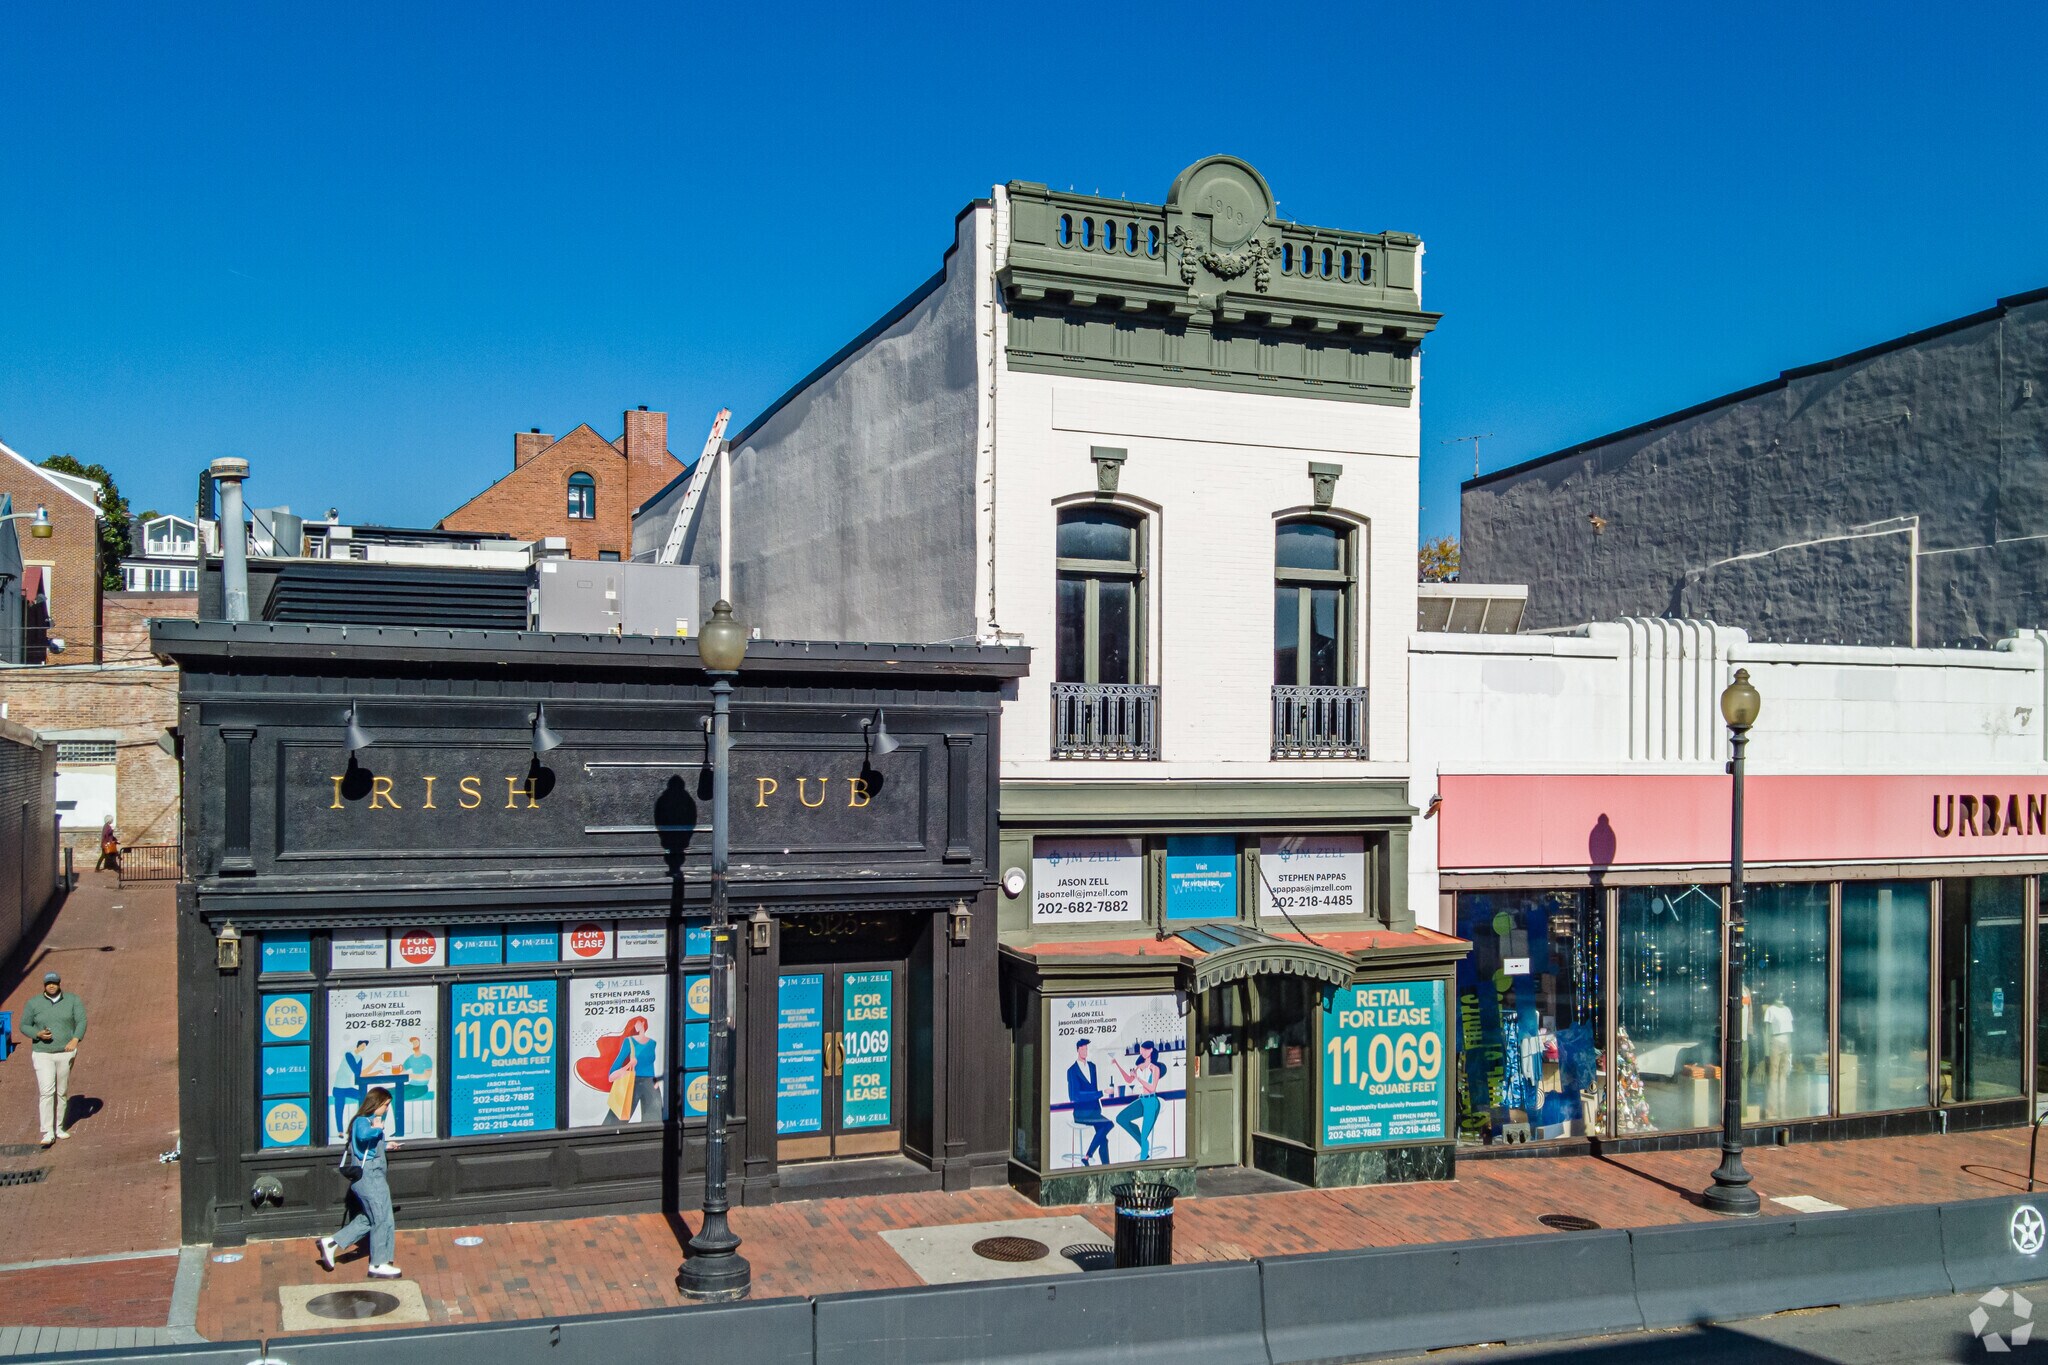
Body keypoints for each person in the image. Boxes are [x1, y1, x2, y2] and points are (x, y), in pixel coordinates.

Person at [317, 1086, 402, 1279]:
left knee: (374, 1217)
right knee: (380, 1218)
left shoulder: (367, 1121)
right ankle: (378, 1264)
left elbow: (366, 1146)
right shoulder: (363, 1121)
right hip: (369, 1176)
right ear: (376, 1103)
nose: (387, 1109)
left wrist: (386, 1145)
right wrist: (377, 1129)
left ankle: (331, 1243)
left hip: (374, 1176)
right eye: (386, 1104)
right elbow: (363, 1136)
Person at [16, 971, 86, 1148]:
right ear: (44, 986)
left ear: (59, 984)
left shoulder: (72, 1000)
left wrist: (75, 1039)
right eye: (48, 983)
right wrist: (37, 1034)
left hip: (65, 1052)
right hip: (42, 1053)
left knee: (61, 1091)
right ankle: (48, 1131)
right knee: (47, 1091)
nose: (51, 986)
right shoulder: (34, 1003)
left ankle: (60, 1127)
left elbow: (81, 1021)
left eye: (54, 983)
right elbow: (24, 1025)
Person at [1110, 1039, 1165, 1162]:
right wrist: (1117, 1065)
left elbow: (1152, 1088)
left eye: (1145, 1049)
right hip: (1142, 1101)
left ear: (1150, 1050)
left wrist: (1138, 1079)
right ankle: (1143, 1143)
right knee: (1121, 1118)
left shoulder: (1155, 1068)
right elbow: (1129, 1080)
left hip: (1152, 1102)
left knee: (1145, 1136)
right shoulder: (1139, 1066)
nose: (1142, 1051)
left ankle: (1143, 1160)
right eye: (1141, 1049)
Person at [603, 1017, 662, 1126]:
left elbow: (650, 1064)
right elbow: (613, 1071)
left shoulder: (652, 1043)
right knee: (615, 1121)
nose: (636, 1026)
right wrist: (629, 1065)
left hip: (650, 1083)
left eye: (637, 1023)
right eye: (634, 1024)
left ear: (643, 1023)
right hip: (633, 1082)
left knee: (654, 1121)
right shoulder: (629, 1041)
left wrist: (655, 1080)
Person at [1065, 1038, 1113, 1166]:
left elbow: (1093, 1088)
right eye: (1082, 1049)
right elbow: (1074, 1096)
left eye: (1086, 1048)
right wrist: (1101, 1093)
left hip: (1094, 1111)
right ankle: (1088, 1155)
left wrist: (1098, 1097)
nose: (1085, 1051)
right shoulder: (1072, 1071)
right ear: (1077, 1050)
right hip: (1081, 1113)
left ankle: (1105, 1166)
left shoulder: (1092, 1067)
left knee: (1103, 1138)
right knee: (1108, 1125)